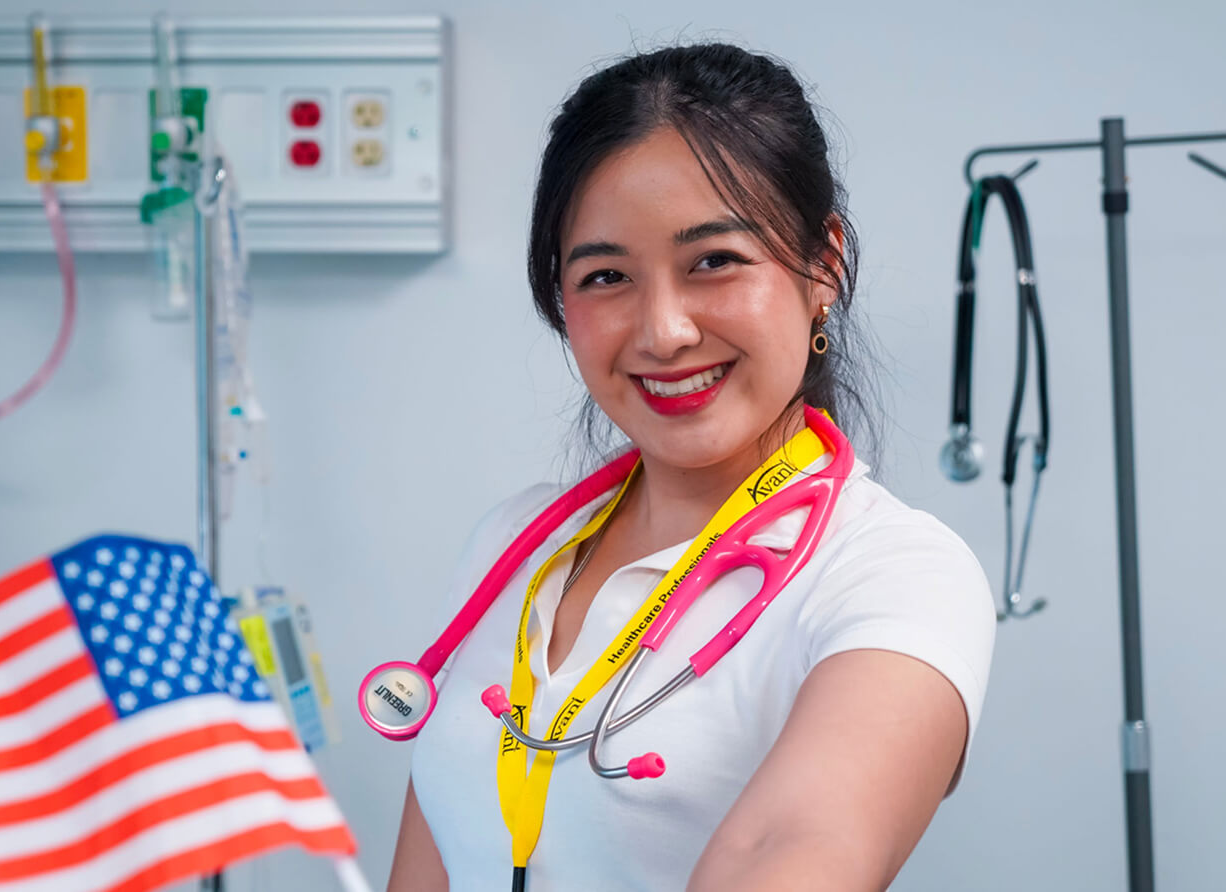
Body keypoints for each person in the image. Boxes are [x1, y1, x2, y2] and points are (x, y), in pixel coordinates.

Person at [386, 43, 996, 891]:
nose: (663, 330)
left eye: (714, 260)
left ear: (823, 262)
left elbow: (790, 853)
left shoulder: (896, 575)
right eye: (606, 276)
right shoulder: (514, 545)